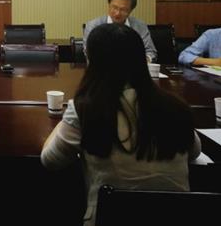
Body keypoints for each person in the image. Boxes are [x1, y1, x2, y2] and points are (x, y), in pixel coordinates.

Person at [41, 23, 201, 226]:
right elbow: (194, 152)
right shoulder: (175, 106)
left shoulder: (86, 109)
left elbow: (50, 160)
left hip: (109, 218)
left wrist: (62, 123)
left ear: (94, 62)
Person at [83, 0, 157, 62]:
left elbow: (151, 52)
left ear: (131, 10)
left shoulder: (139, 26)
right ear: (109, 5)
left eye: (123, 10)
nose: (117, 13)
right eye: (114, 7)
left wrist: (142, 62)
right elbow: (89, 54)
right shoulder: (93, 25)